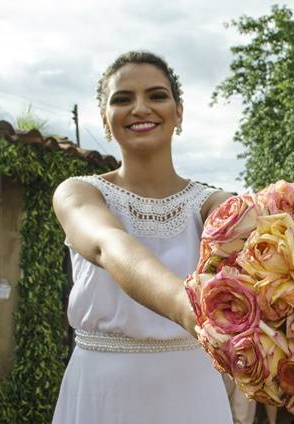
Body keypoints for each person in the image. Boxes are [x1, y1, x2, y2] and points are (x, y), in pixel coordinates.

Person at [51, 51, 233, 423]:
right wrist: (190, 310)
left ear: (178, 112)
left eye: (156, 95)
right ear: (105, 119)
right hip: (102, 391)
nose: (140, 108)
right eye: (122, 99)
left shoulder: (215, 205)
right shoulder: (78, 192)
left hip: (192, 390)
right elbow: (109, 245)